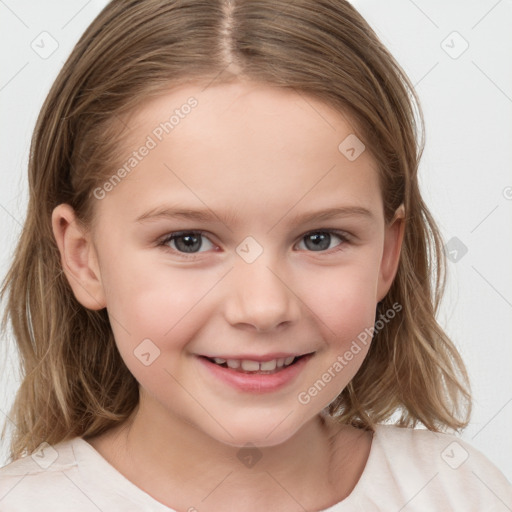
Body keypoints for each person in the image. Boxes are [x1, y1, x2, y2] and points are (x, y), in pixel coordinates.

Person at [0, 0, 511, 510]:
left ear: (387, 253)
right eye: (188, 241)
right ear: (83, 259)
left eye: (320, 238)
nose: (264, 308)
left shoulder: (460, 492)